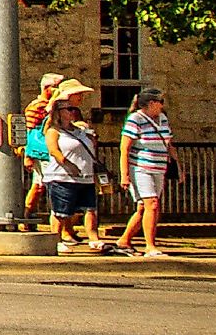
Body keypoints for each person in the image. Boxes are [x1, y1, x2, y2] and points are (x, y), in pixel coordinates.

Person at [41, 81, 110, 252]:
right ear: (60, 112)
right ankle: (56, 239)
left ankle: (93, 238)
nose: (73, 112)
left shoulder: (79, 130)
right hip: (62, 176)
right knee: (61, 211)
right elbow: (54, 151)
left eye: (74, 110)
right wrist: (68, 164)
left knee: (90, 208)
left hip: (85, 176)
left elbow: (90, 147)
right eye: (69, 109)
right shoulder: (53, 131)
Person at [115, 86, 177, 258]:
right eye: (160, 102)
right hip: (141, 168)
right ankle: (150, 245)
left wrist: (179, 167)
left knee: (143, 207)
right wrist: (125, 174)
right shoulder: (135, 119)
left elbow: (169, 144)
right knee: (152, 205)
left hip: (159, 167)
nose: (162, 106)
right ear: (152, 103)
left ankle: (124, 240)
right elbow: (125, 148)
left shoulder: (162, 119)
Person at [19, 72, 63, 221]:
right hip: (40, 151)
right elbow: (29, 131)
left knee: (39, 186)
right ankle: (27, 216)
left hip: (48, 150)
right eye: (56, 87)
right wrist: (28, 155)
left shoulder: (55, 106)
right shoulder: (37, 106)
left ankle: (27, 216)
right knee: (41, 185)